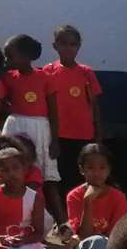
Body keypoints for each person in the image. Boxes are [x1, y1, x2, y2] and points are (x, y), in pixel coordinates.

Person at [1, 34, 62, 216]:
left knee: (45, 177)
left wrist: (55, 140)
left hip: (40, 130)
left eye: (10, 56)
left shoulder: (45, 77)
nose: (7, 60)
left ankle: (60, 219)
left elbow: (53, 111)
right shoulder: (8, 78)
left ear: (26, 56)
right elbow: (2, 102)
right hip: (15, 128)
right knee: (16, 171)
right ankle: (18, 213)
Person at [41, 24, 103, 190]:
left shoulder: (86, 72)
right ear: (55, 45)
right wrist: (53, 139)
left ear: (79, 46)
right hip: (58, 136)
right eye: (63, 44)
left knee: (81, 177)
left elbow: (94, 105)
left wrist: (98, 135)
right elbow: (45, 104)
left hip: (84, 134)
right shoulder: (48, 70)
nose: (68, 48)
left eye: (73, 44)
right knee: (59, 176)